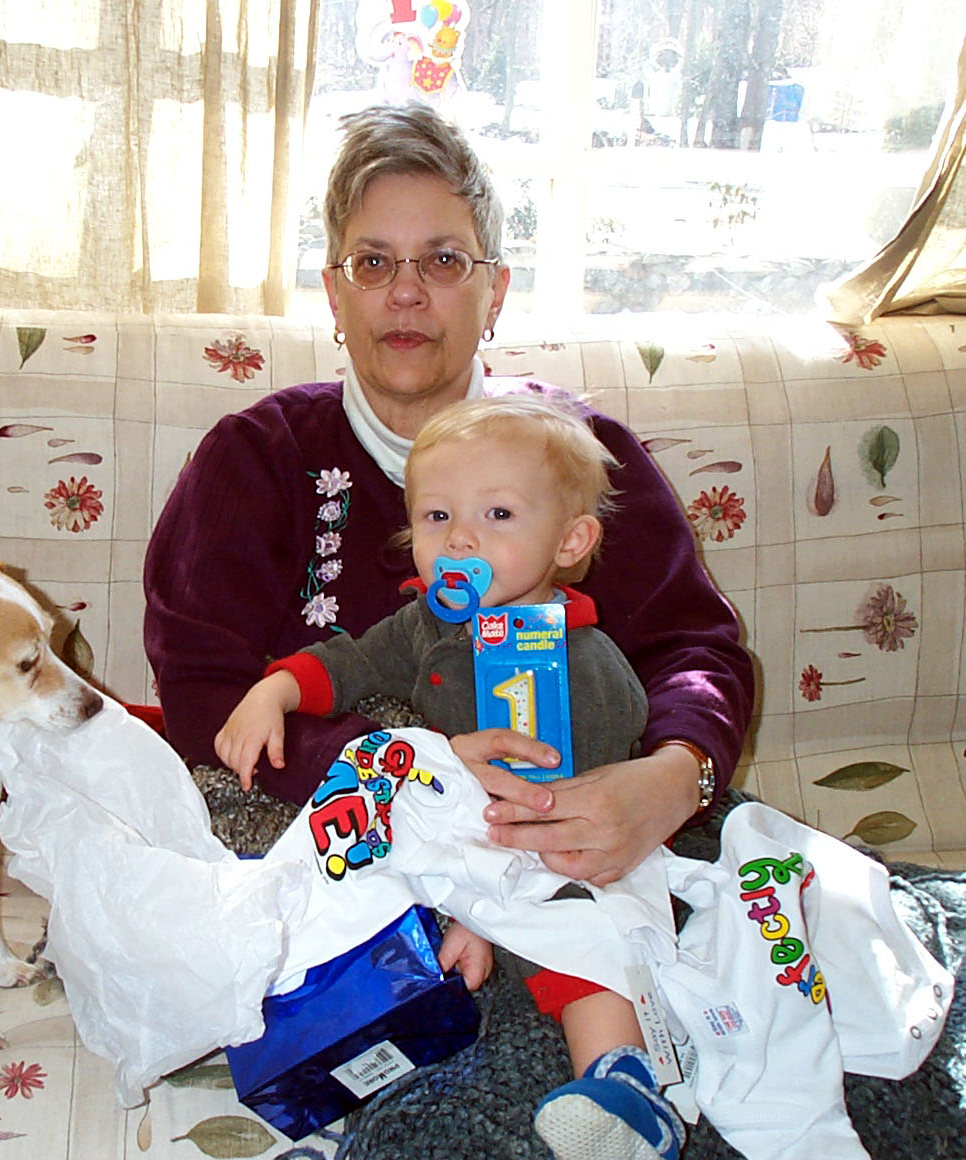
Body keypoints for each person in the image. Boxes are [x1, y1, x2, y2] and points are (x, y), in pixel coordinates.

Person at [142, 100, 753, 890]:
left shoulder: (582, 458)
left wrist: (672, 781)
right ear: (333, 294)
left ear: (494, 291)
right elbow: (202, 691)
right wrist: (410, 773)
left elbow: (696, 654)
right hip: (335, 847)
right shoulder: (255, 459)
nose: (406, 293)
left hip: (570, 841)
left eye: (442, 260)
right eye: (373, 263)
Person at [215, 393, 683, 1160]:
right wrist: (276, 691)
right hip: (445, 833)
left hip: (557, 843)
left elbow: (579, 809)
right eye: (437, 517)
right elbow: (350, 662)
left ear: (570, 541)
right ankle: (339, 1082)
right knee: (347, 893)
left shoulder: (584, 662)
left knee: (583, 933)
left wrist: (485, 909)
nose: (460, 537)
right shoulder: (431, 624)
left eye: (498, 514)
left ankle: (619, 1083)